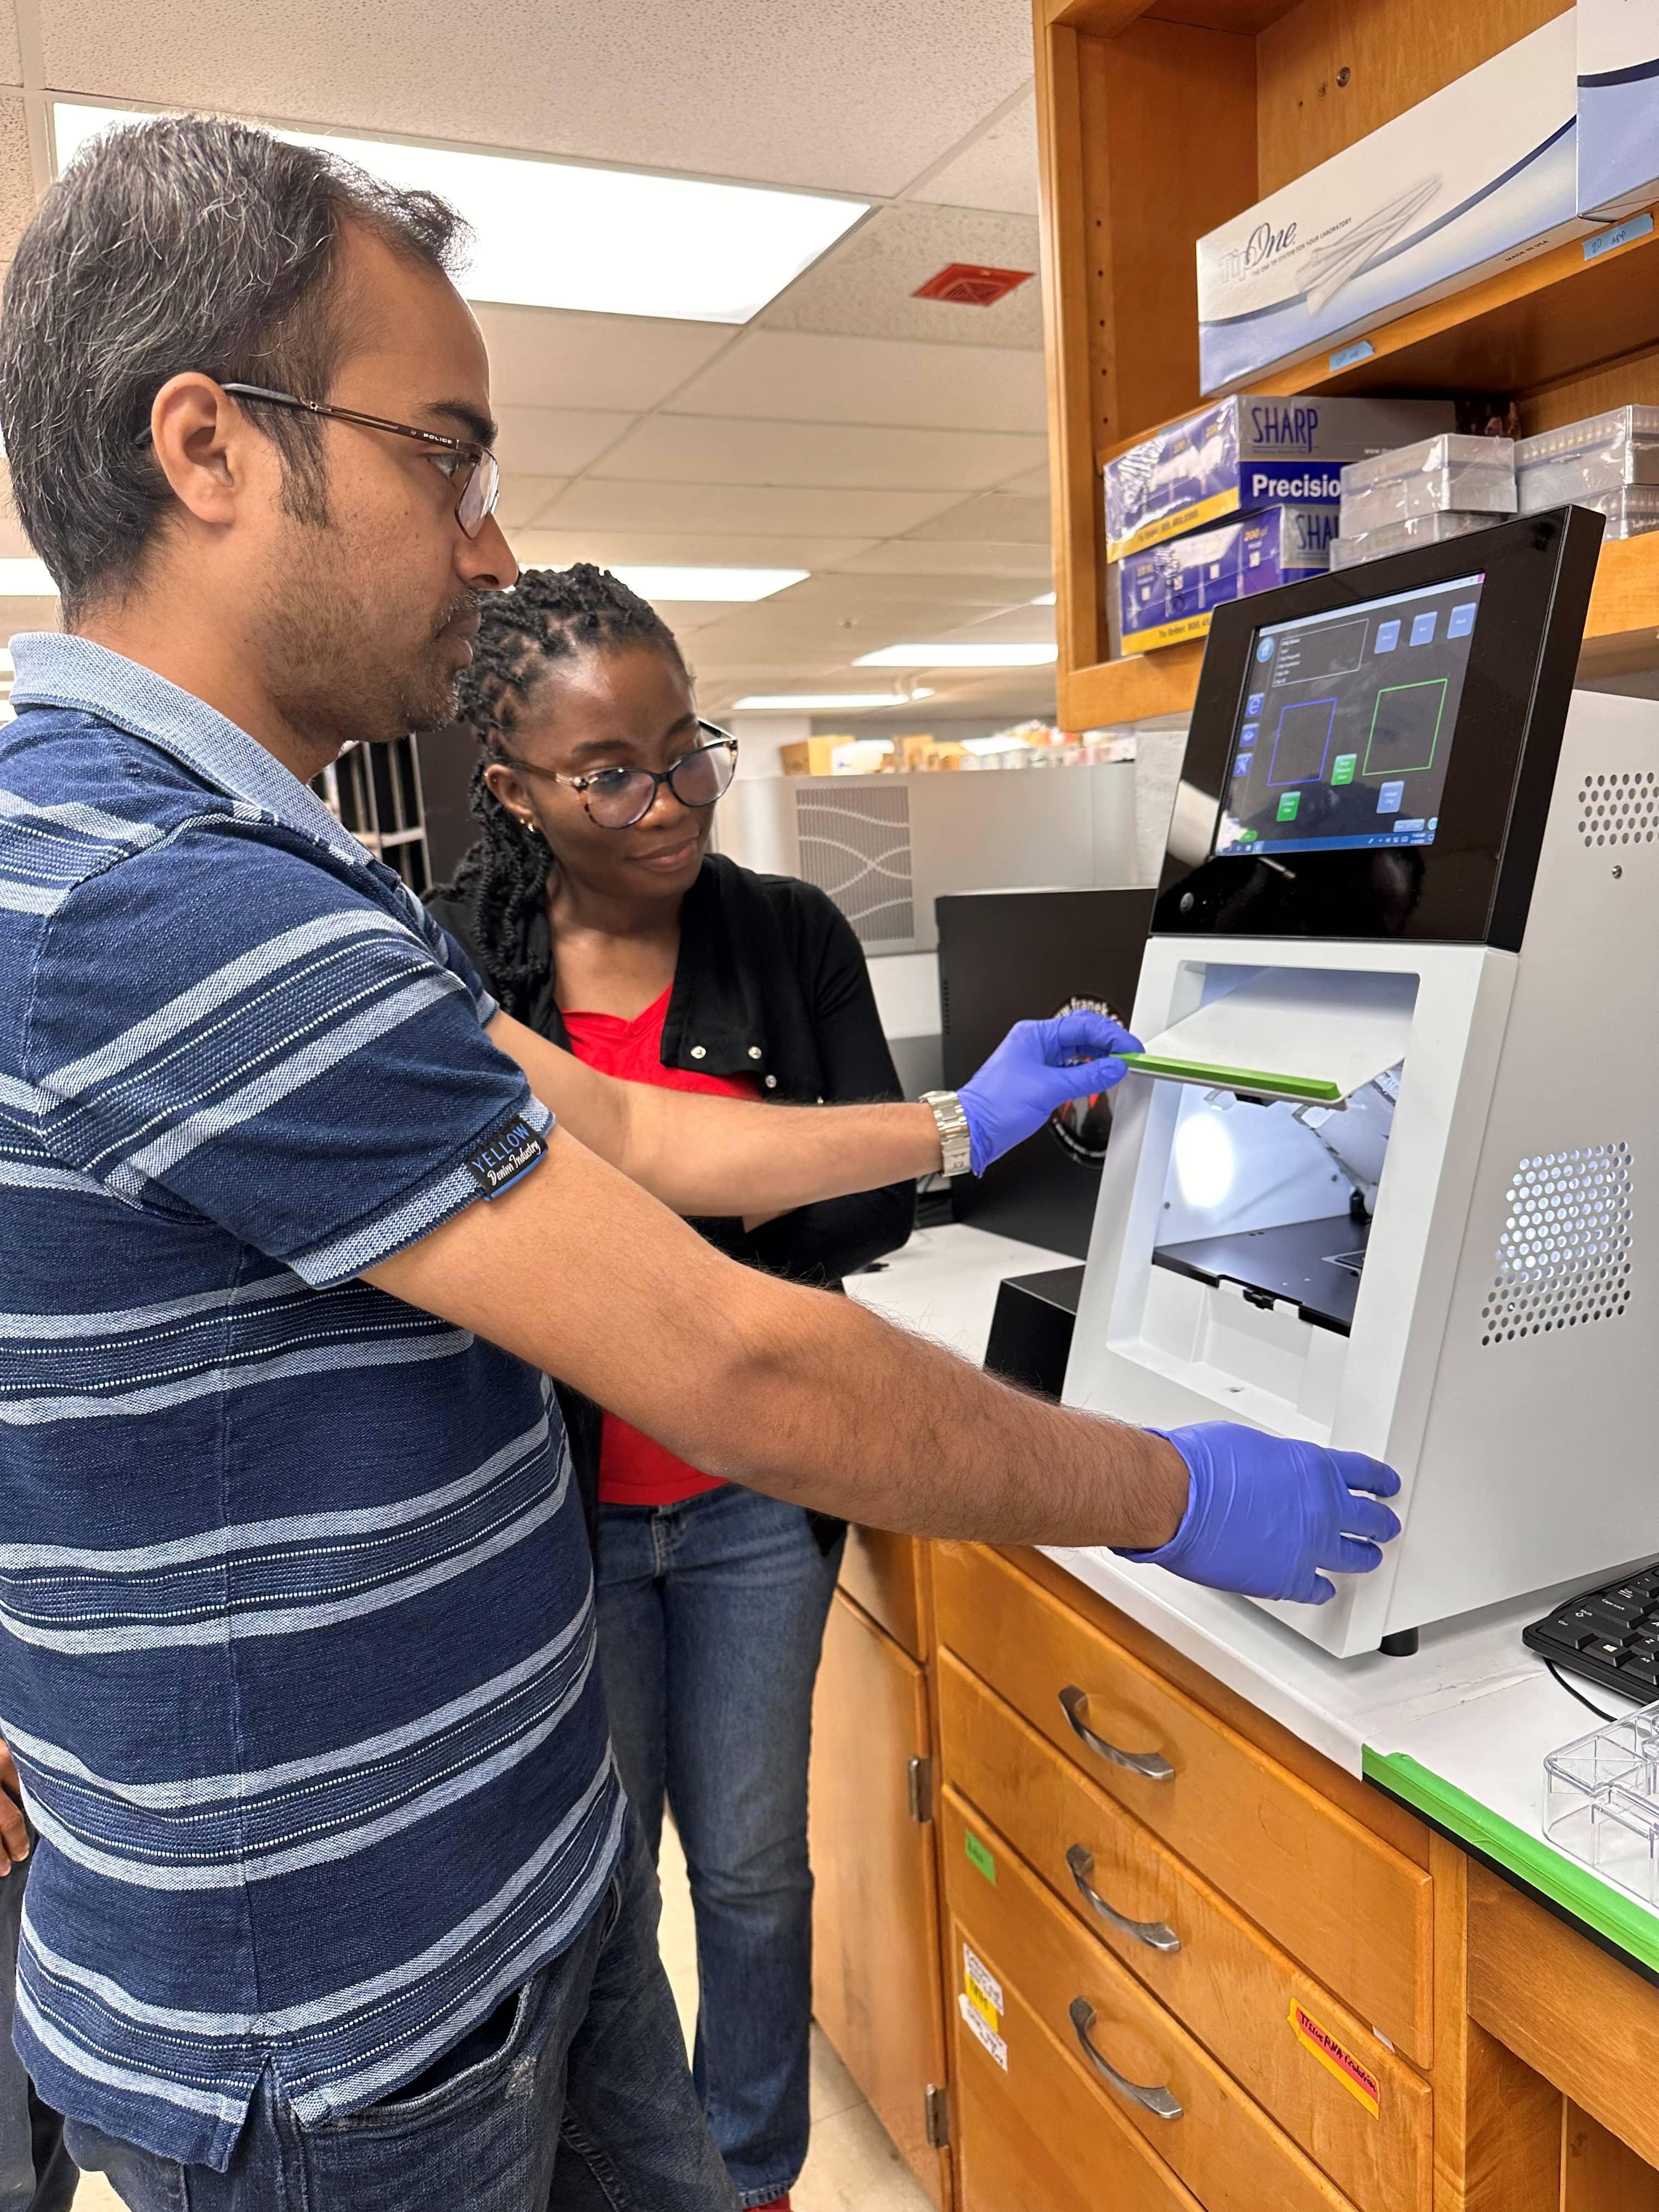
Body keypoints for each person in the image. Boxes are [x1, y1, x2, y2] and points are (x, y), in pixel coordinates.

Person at [0, 115, 1400, 2211]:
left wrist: (956, 1118)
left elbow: (630, 1128)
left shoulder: (244, 859)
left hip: (525, 1896)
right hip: (357, 2034)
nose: (486, 546)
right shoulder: (155, 894)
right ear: (209, 447)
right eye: (444, 457)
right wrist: (1177, 1490)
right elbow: (735, 1368)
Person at [428, 563, 914, 2211]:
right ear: (515, 792)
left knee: (759, 1871)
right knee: (605, 1884)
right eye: (612, 771)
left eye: (686, 747)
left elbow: (865, 1204)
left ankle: (757, 2171)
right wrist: (734, 1177)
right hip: (561, 1520)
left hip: (750, 1504)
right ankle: (640, 2178)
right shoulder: (465, 969)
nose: (669, 798)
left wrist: (650, 1208)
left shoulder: (787, 933)